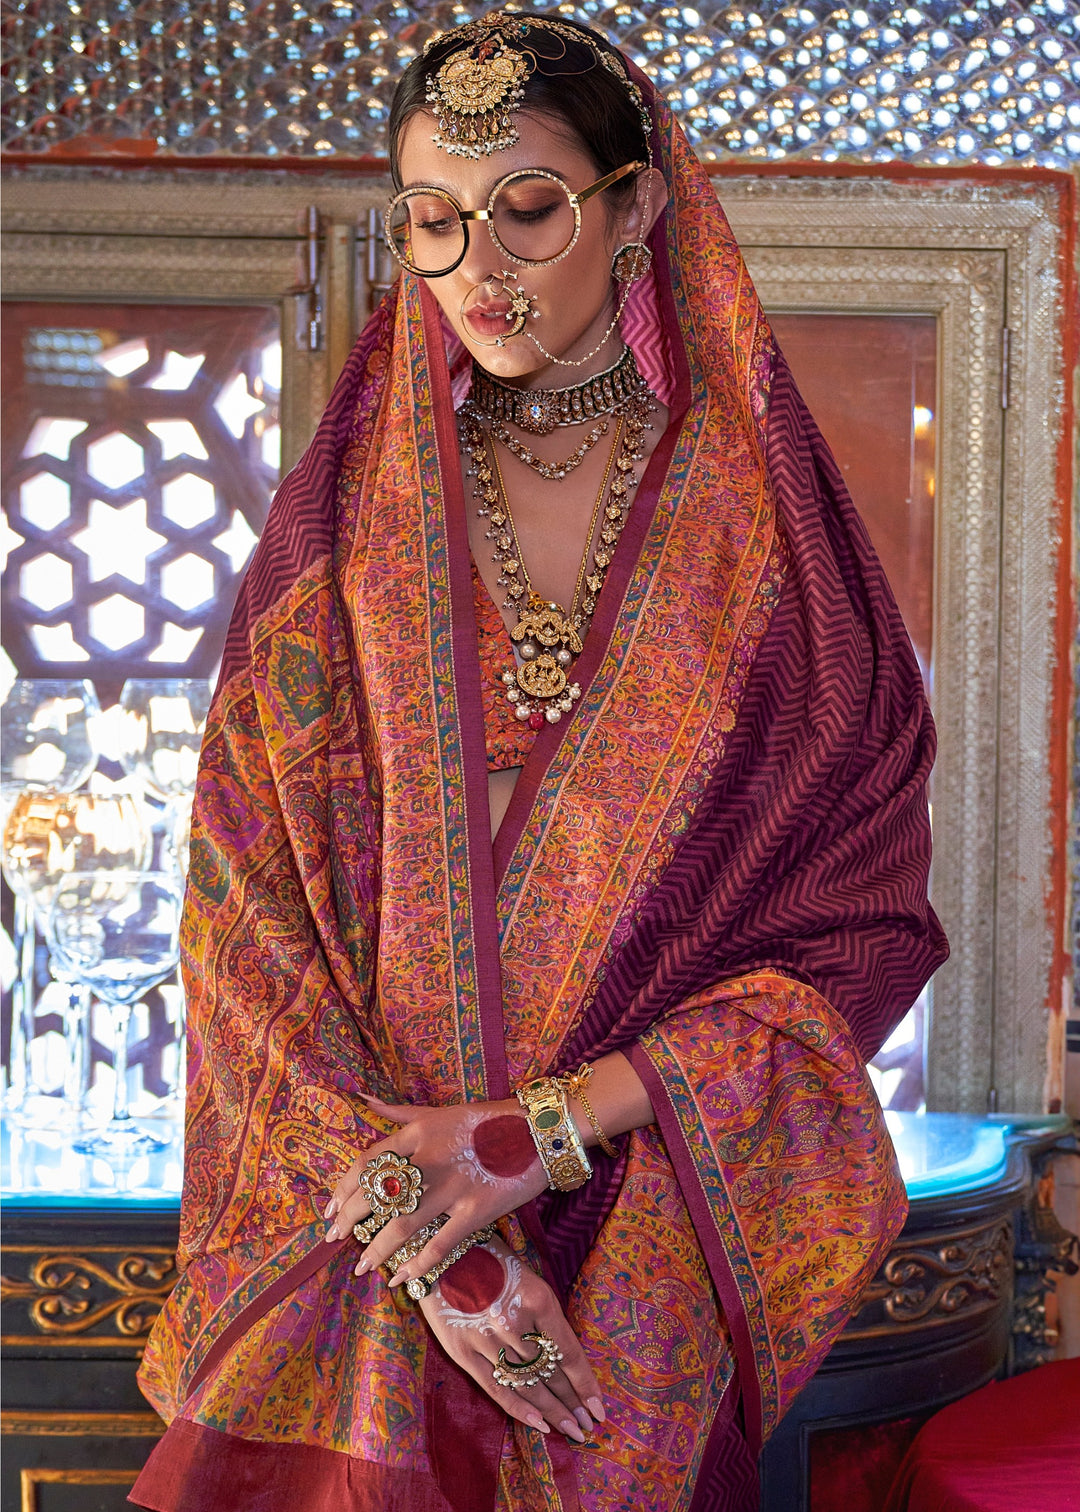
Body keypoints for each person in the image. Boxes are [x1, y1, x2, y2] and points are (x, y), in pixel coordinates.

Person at [131, 12, 948, 1511]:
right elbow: (240, 900)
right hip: (362, 1230)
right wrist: (422, 1227)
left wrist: (538, 1138)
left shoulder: (765, 543)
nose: (478, 274)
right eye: (433, 224)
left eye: (526, 210)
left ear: (638, 206)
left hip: (644, 1220)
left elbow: (858, 921)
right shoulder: (347, 531)